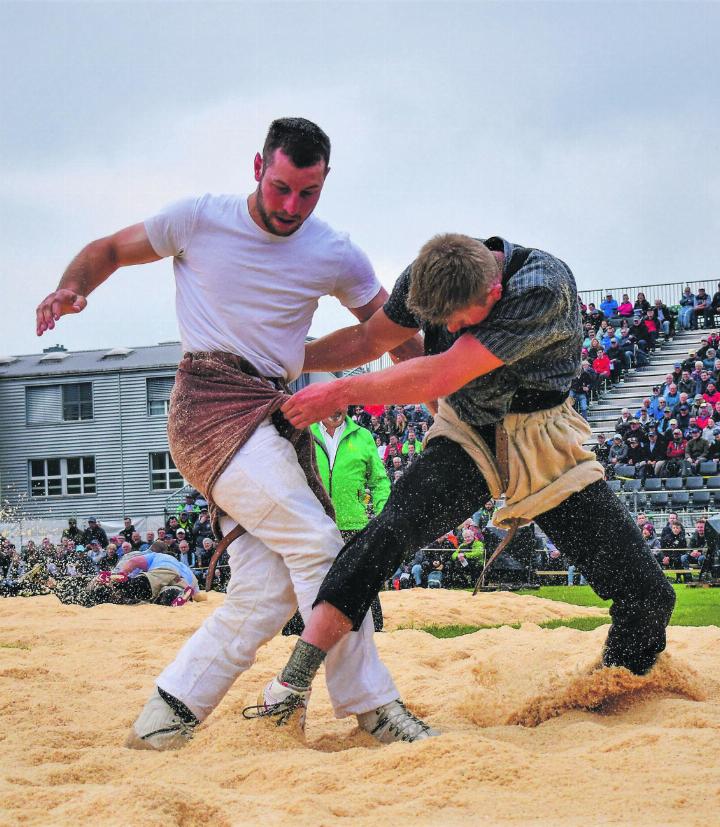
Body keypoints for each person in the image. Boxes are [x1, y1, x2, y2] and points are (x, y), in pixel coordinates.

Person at [35, 117, 432, 749]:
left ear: (325, 183)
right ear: (257, 167)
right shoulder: (199, 218)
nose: (290, 206)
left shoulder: (333, 250)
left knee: (266, 590)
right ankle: (372, 706)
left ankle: (164, 717)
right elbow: (109, 249)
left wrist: (441, 373)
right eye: (280, 188)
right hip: (207, 408)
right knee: (320, 546)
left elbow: (376, 332)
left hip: (270, 408)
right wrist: (71, 287)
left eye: (307, 193)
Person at [261, 232, 675, 733]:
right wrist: (286, 357)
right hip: (468, 433)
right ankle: (291, 680)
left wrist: (340, 392)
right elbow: (372, 340)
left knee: (650, 595)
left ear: (494, 292)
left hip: (543, 439)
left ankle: (613, 695)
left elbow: (439, 375)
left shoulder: (542, 287)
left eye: (460, 320)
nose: (449, 328)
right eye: (442, 322)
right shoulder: (429, 276)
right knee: (389, 533)